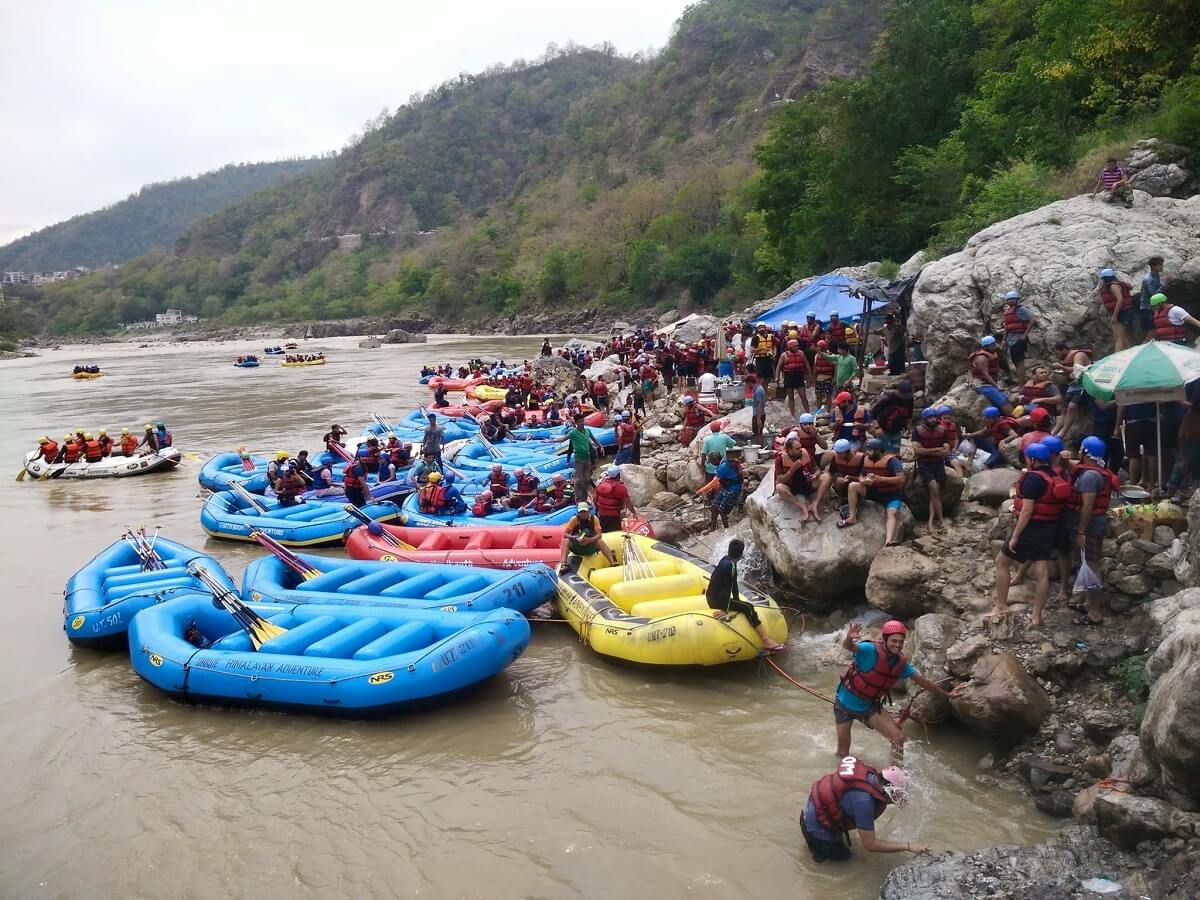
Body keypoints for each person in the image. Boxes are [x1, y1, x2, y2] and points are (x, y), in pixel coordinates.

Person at [835, 619, 959, 760]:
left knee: (898, 738)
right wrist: (849, 638)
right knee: (842, 753)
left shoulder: (900, 663)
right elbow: (849, 647)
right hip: (844, 703)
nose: (898, 645)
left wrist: (947, 694)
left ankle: (895, 772)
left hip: (869, 705)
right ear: (885, 639)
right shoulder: (870, 649)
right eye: (894, 641)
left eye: (901, 642)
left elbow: (922, 681)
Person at [990, 442, 1071, 626]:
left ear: (1033, 459)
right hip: (1049, 527)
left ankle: (1001, 605)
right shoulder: (1057, 474)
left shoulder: (1033, 479)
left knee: (1002, 561)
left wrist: (1016, 536)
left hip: (1031, 528)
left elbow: (1027, 511)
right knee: (1041, 571)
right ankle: (1036, 617)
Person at [802, 757, 925, 862]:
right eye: (898, 794)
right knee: (848, 863)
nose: (899, 798)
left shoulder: (870, 777)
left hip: (811, 809)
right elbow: (870, 845)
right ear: (888, 790)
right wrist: (908, 846)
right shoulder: (864, 802)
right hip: (816, 829)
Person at [1062, 436, 1120, 625]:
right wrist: (1064, 459)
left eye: (1081, 449)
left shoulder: (1090, 477)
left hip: (1090, 527)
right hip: (1090, 525)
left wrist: (1081, 532)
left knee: (1092, 565)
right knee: (1085, 562)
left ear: (1086, 453)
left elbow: (1087, 506)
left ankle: (1095, 613)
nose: (1079, 452)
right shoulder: (1092, 470)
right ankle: (1088, 604)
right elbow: (1071, 466)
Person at [705, 539, 785, 651]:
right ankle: (766, 641)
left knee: (743, 605)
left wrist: (737, 601)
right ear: (740, 554)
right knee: (749, 607)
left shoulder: (726, 560)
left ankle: (766, 640)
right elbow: (726, 589)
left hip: (711, 597)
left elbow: (734, 584)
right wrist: (724, 610)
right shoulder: (729, 566)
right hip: (716, 600)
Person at [843, 438, 906, 546]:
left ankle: (888, 541)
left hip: (891, 495)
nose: (867, 452)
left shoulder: (892, 461)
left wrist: (880, 479)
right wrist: (863, 481)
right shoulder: (867, 459)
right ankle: (852, 517)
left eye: (870, 450)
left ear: (878, 451)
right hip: (874, 491)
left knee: (892, 513)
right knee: (853, 485)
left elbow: (901, 479)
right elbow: (861, 475)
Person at [913, 408, 950, 531]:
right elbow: (917, 451)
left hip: (938, 464)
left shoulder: (942, 430)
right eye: (930, 418)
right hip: (924, 465)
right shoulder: (918, 431)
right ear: (925, 419)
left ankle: (931, 521)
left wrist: (927, 451)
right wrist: (936, 449)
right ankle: (940, 520)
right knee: (934, 489)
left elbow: (946, 451)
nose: (933, 419)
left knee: (934, 493)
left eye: (934, 417)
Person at [558, 502, 616, 572]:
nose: (583, 514)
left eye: (585, 512)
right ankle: (564, 564)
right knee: (565, 541)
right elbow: (565, 534)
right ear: (578, 512)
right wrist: (574, 537)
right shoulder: (574, 519)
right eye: (581, 512)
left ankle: (613, 563)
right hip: (577, 545)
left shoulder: (594, 519)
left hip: (590, 546)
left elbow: (599, 535)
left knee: (600, 541)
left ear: (588, 511)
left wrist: (590, 540)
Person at [814, 439, 863, 516]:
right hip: (842, 484)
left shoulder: (861, 458)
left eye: (840, 453)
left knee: (854, 485)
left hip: (856, 482)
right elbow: (831, 473)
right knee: (839, 480)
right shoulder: (836, 458)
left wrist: (852, 478)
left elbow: (863, 476)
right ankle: (840, 498)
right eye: (837, 452)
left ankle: (855, 500)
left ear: (847, 452)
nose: (837, 455)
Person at [774, 436, 818, 521]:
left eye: (800, 447)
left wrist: (816, 475)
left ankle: (816, 505)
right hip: (791, 487)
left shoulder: (805, 454)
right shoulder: (780, 459)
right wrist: (792, 470)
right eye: (797, 448)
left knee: (826, 477)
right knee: (779, 487)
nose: (800, 450)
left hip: (808, 483)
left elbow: (817, 469)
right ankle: (802, 507)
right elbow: (780, 480)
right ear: (790, 450)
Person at [1001, 290, 1036, 386]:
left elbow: (1032, 320)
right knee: (1016, 362)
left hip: (1019, 338)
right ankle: (1020, 384)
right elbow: (1007, 327)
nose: (1011, 301)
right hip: (1011, 339)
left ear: (1017, 300)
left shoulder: (1021, 309)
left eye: (1013, 299)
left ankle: (1021, 386)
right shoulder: (1008, 311)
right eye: (1009, 299)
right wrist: (1004, 340)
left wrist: (1024, 335)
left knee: (1019, 362)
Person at [969, 335, 1011, 412]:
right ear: (985, 347)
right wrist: (997, 386)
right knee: (1003, 402)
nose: (995, 347)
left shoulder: (992, 353)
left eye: (995, 344)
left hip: (989, 384)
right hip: (981, 385)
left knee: (1006, 398)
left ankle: (1004, 414)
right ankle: (1013, 416)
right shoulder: (982, 358)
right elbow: (985, 374)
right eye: (992, 346)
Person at [705, 448, 744, 531]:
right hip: (726, 488)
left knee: (722, 511)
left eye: (712, 462)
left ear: (715, 460)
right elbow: (720, 482)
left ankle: (726, 531)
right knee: (714, 507)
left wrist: (701, 491)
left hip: (733, 490)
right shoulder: (724, 463)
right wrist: (711, 490)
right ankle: (712, 529)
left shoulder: (723, 467)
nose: (712, 464)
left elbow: (714, 482)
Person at [869, 381, 912, 454]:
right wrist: (877, 427)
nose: (905, 397)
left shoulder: (908, 400)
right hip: (883, 431)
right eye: (903, 394)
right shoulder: (887, 398)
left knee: (895, 453)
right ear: (898, 391)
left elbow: (908, 415)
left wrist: (908, 426)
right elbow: (872, 412)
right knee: (887, 452)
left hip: (897, 432)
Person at [1098, 268, 1135, 351]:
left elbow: (1120, 300)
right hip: (1120, 312)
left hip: (1120, 313)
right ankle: (1131, 352)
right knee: (1123, 337)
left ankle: (1117, 356)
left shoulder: (1113, 286)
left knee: (1118, 338)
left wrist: (1114, 316)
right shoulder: (1111, 285)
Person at [566, 415, 598, 502]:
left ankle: (587, 494)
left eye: (582, 421)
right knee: (581, 480)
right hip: (580, 459)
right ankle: (580, 497)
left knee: (586, 478)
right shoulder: (574, 439)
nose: (582, 423)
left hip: (588, 459)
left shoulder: (585, 437)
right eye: (580, 421)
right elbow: (570, 450)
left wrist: (593, 462)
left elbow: (592, 450)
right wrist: (568, 461)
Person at [775, 338, 811, 415]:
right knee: (790, 397)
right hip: (789, 377)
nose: (797, 347)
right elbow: (778, 367)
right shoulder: (784, 355)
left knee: (803, 396)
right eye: (795, 346)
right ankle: (792, 414)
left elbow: (806, 363)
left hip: (799, 376)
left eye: (797, 346)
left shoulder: (801, 353)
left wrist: (809, 375)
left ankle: (808, 412)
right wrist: (777, 377)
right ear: (790, 347)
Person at [594, 466, 635, 532]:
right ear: (618, 475)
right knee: (615, 533)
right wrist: (634, 513)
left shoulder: (601, 484)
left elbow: (595, 498)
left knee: (604, 532)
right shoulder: (621, 487)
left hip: (601, 514)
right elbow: (628, 502)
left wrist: (597, 508)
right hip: (614, 515)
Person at [1138, 257, 1165, 338]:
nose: (1162, 267)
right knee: (1151, 331)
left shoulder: (1156, 276)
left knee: (1154, 330)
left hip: (1153, 307)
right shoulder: (1148, 279)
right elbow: (1154, 295)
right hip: (1147, 307)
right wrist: (1164, 285)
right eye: (1160, 265)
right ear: (1153, 266)